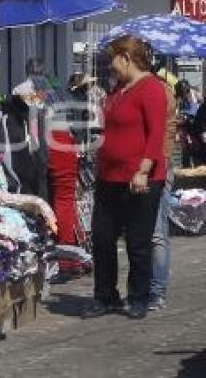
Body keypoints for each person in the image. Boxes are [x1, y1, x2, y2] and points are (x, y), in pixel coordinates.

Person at [85, 35, 166, 320]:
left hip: (140, 177)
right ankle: (105, 295)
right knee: (102, 238)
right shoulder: (118, 89)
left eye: (113, 61)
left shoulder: (151, 88)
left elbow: (156, 134)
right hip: (109, 176)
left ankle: (139, 297)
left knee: (137, 241)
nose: (110, 67)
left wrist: (143, 170)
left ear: (127, 58)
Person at [150, 71, 177, 311]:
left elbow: (162, 132)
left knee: (157, 233)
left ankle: (157, 289)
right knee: (150, 233)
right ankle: (151, 287)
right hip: (146, 167)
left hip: (156, 166)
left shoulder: (159, 91)